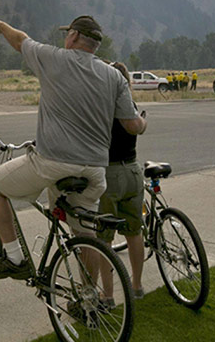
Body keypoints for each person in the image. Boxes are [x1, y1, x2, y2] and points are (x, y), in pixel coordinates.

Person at [0, 15, 147, 280]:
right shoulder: (114, 75)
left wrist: (0, 25)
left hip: (52, 163)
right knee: (85, 234)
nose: (65, 38)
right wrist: (144, 124)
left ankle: (15, 258)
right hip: (94, 170)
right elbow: (131, 124)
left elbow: (21, 40)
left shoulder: (54, 58)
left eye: (67, 34)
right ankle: (89, 298)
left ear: (75, 37)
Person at [98, 61, 147, 300]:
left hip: (110, 173)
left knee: (104, 238)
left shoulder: (102, 107)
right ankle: (137, 286)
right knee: (134, 232)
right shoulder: (131, 106)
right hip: (133, 170)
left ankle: (108, 295)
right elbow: (137, 127)